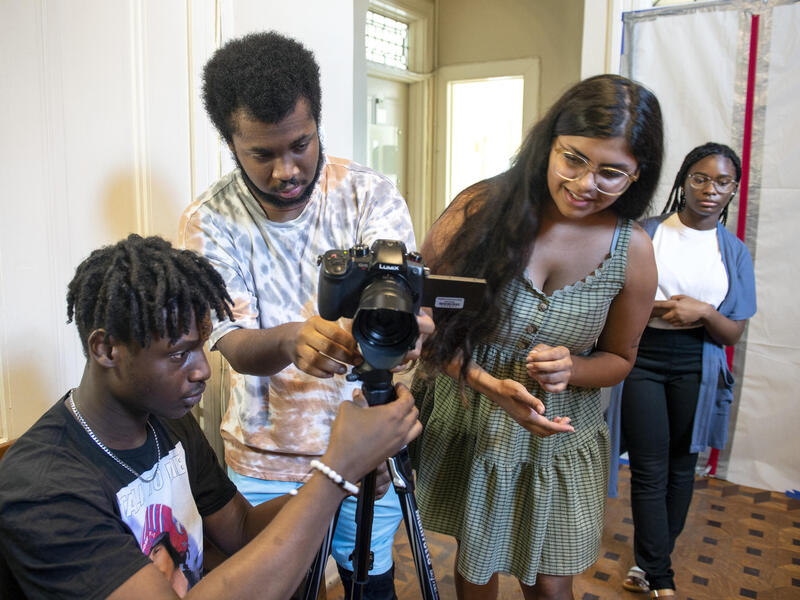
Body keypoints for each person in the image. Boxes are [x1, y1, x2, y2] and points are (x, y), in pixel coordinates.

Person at [0, 235, 422, 600]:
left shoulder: (165, 421)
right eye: (179, 354)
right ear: (107, 349)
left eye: (201, 346)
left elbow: (240, 527)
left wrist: (346, 481)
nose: (202, 369)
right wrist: (335, 473)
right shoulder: (43, 490)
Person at [178, 31, 431, 599]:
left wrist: (410, 334)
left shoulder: (368, 195)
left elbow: (399, 309)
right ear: (230, 143)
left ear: (317, 122)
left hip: (368, 445)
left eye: (301, 144)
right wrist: (291, 340)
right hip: (264, 464)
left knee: (372, 587)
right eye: (262, 155)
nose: (286, 171)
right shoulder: (208, 221)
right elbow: (232, 343)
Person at [410, 74, 663, 600]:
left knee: (550, 584)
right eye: (573, 159)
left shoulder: (632, 250)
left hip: (559, 436)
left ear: (638, 174)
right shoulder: (480, 210)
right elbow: (424, 326)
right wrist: (487, 384)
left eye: (611, 173)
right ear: (548, 144)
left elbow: (620, 358)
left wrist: (574, 368)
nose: (586, 184)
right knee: (477, 565)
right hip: (474, 417)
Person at [608, 143, 756, 598]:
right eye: (700, 178)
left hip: (699, 363)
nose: (710, 189)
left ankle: (650, 562)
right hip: (643, 360)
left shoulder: (733, 252)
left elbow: (731, 333)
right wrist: (658, 309)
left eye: (722, 182)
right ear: (683, 181)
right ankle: (661, 575)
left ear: (733, 189)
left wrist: (704, 312)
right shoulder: (646, 233)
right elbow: (614, 298)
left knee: (681, 466)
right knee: (650, 466)